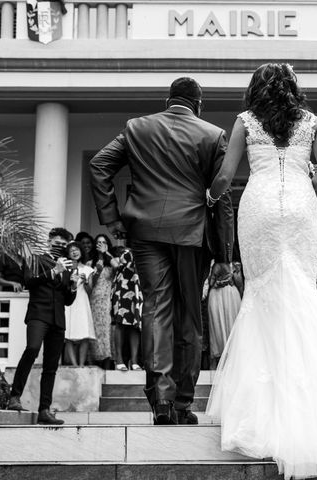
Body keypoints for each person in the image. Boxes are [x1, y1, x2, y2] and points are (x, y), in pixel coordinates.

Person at [204, 63, 317, 479]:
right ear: (293, 88)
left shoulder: (245, 121)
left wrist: (209, 197)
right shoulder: (314, 122)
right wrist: (305, 182)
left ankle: (259, 416)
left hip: (259, 205)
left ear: (256, 89)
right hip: (299, 207)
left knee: (262, 293)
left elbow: (227, 175)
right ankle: (311, 411)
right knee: (300, 291)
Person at [90, 77, 234, 426]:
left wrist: (112, 220)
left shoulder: (137, 127)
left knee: (156, 307)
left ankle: (160, 402)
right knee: (189, 316)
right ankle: (184, 402)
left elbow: (99, 165)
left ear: (166, 100)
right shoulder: (213, 135)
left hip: (145, 232)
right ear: (199, 105)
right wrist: (225, 255)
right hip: (192, 233)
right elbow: (223, 195)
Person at [7, 227, 78, 425]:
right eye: (58, 243)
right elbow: (29, 281)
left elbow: (67, 300)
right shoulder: (35, 259)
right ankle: (14, 397)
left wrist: (72, 286)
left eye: (64, 245)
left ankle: (44, 410)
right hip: (38, 314)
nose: (61, 247)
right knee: (32, 349)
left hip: (58, 320)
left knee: (51, 366)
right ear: (49, 242)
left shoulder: (68, 266)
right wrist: (54, 270)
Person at [110, 246, 142, 371]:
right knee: (121, 324)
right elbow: (118, 266)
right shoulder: (127, 253)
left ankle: (134, 361)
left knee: (135, 325)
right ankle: (119, 360)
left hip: (136, 291)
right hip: (122, 290)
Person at [64, 241, 95, 366]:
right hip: (68, 302)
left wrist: (86, 281)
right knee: (68, 335)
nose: (74, 252)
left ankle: (81, 365)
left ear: (81, 251)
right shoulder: (65, 268)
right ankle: (74, 365)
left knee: (84, 334)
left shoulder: (88, 269)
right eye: (71, 251)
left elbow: (90, 291)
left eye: (76, 249)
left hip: (82, 300)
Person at [89, 234, 118, 367]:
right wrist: (97, 271)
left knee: (107, 329)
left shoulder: (112, 261)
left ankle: (108, 361)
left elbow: (118, 268)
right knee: (95, 329)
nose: (101, 245)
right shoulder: (90, 262)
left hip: (108, 299)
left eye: (104, 242)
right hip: (94, 300)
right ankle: (94, 360)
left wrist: (106, 253)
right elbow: (90, 285)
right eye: (98, 243)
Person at [207, 261, 242, 368]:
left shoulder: (235, 264)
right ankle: (220, 363)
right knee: (218, 328)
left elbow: (240, 283)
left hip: (230, 295)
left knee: (232, 328)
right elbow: (209, 282)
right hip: (218, 295)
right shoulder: (213, 263)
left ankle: (232, 362)